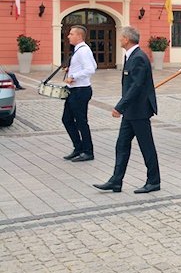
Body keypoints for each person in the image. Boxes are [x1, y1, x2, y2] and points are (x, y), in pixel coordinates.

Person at [93, 26, 160, 194]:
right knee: (121, 145)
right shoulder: (131, 56)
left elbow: (136, 86)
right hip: (131, 111)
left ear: (126, 39)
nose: (119, 39)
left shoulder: (138, 57)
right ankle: (116, 181)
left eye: (121, 37)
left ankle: (153, 181)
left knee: (147, 147)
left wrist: (120, 106)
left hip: (139, 111)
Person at [61, 25, 98, 162]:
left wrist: (73, 76)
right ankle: (78, 148)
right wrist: (70, 70)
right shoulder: (80, 50)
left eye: (71, 34)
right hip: (75, 90)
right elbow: (93, 65)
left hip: (80, 90)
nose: (68, 36)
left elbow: (90, 69)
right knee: (67, 119)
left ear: (79, 36)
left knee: (81, 122)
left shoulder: (83, 51)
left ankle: (88, 151)